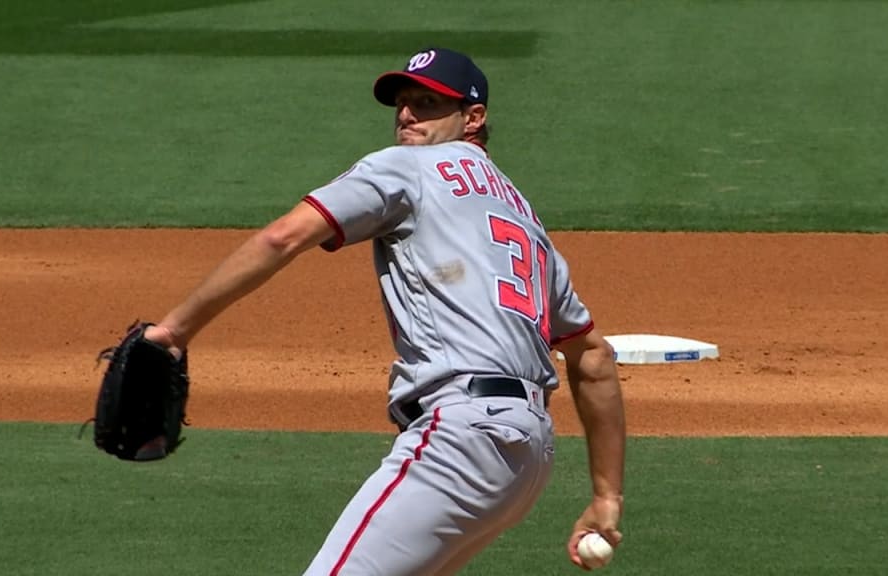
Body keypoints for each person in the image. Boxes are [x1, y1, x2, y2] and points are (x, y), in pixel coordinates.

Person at [143, 46, 626, 575]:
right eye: (402, 102)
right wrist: (607, 496)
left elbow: (283, 237)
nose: (407, 114)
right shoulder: (522, 215)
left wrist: (172, 331)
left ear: (474, 117)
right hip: (527, 456)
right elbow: (592, 357)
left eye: (428, 102)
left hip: (461, 437)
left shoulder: (408, 166)